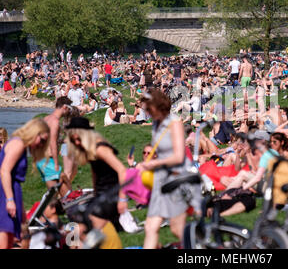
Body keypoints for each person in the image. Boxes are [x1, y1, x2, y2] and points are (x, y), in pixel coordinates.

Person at [136, 89, 201, 249]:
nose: (148, 113)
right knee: (150, 227)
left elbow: (179, 156)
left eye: (150, 109)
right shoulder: (156, 124)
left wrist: (153, 164)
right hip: (161, 180)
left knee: (177, 229)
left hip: (177, 178)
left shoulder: (175, 123)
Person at [65, 117, 127, 249]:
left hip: (111, 194)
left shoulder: (100, 149)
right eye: (73, 140)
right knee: (74, 218)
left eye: (78, 139)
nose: (76, 143)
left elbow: (122, 170)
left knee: (88, 225)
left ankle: (82, 245)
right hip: (102, 194)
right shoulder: (91, 149)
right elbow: (95, 173)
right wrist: (94, 193)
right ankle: (73, 245)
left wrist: (122, 199)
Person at [0, 118, 50, 249]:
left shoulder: (20, 145)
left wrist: (21, 210)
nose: (41, 144)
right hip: (5, 194)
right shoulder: (18, 144)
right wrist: (10, 199)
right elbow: (4, 170)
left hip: (10, 192)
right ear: (35, 132)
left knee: (10, 241)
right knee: (4, 240)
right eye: (42, 140)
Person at [38, 97, 73, 197]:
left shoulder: (46, 118)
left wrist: (64, 140)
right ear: (65, 107)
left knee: (60, 193)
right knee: (61, 196)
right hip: (49, 160)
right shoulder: (55, 121)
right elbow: (52, 142)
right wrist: (56, 163)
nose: (69, 113)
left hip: (42, 158)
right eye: (69, 110)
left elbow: (48, 139)